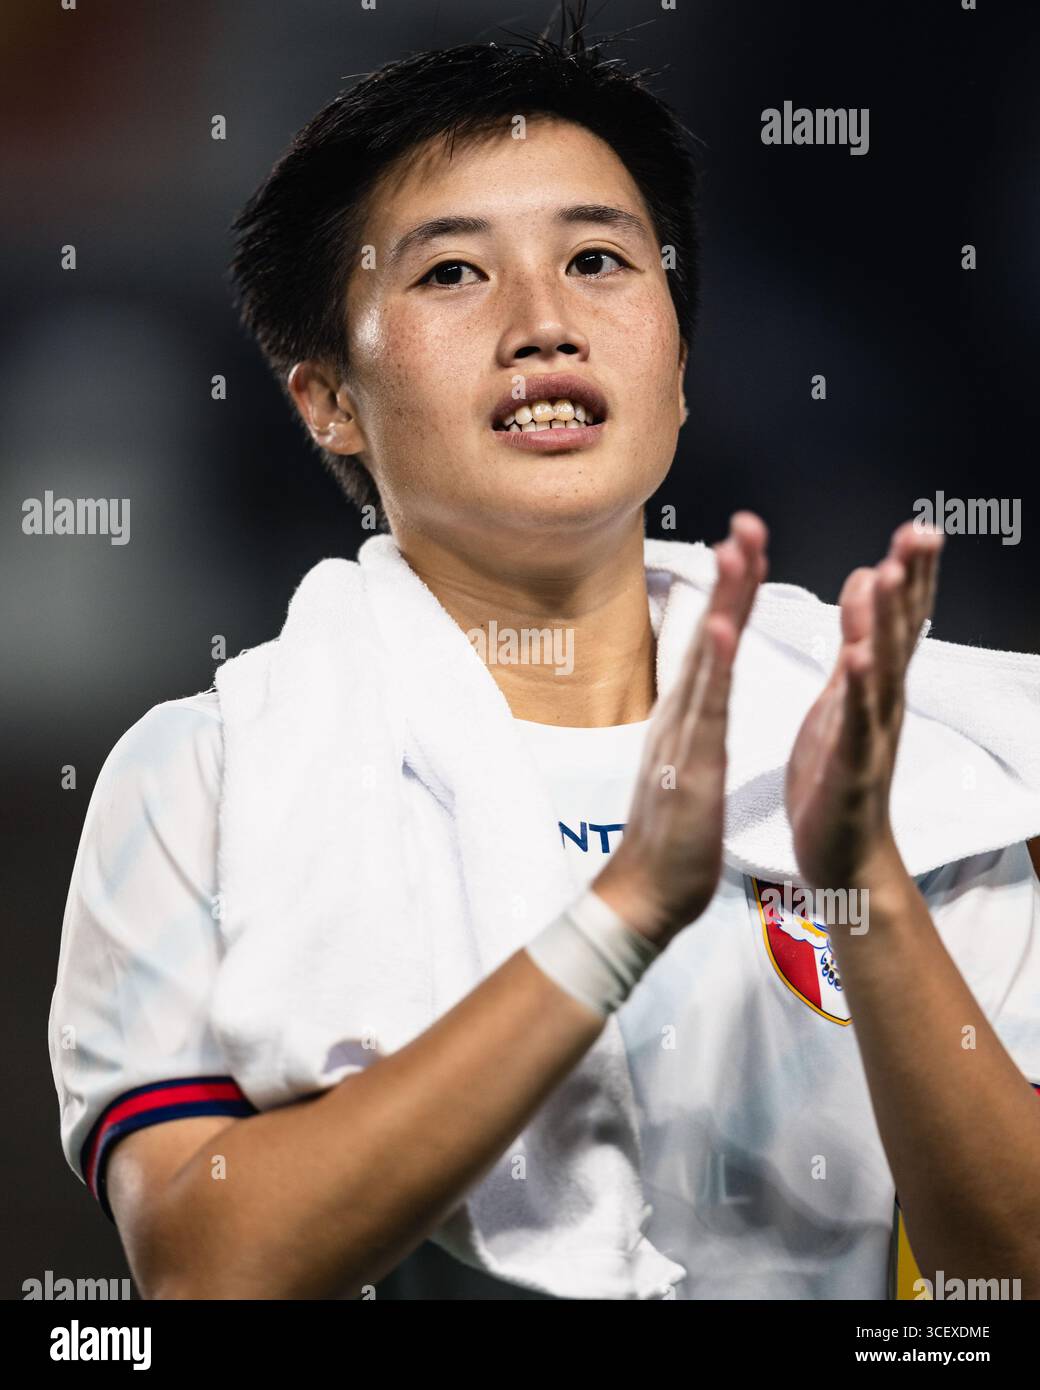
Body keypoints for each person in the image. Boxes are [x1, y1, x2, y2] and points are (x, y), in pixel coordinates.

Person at [49, 7, 1040, 1301]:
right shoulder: (202, 778)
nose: (543, 321)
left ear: (681, 364)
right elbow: (207, 1270)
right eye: (451, 273)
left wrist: (864, 879)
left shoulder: (929, 772)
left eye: (601, 261)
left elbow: (1006, 1276)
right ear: (326, 398)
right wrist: (620, 916)